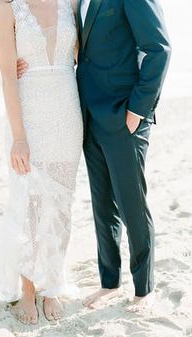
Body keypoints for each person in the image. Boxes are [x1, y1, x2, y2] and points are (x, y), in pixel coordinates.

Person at [18, 0, 171, 312]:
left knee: (131, 204)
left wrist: (137, 111)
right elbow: (76, 50)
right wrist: (24, 63)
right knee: (103, 206)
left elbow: (158, 49)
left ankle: (144, 289)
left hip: (123, 116)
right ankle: (110, 283)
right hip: (87, 115)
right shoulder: (77, 1)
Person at [0, 0, 83, 325]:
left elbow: (84, 57)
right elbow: (7, 76)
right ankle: (27, 289)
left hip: (68, 111)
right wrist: (19, 136)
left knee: (61, 204)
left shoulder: (69, 4)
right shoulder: (6, 7)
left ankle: (52, 283)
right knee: (31, 203)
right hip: (29, 115)